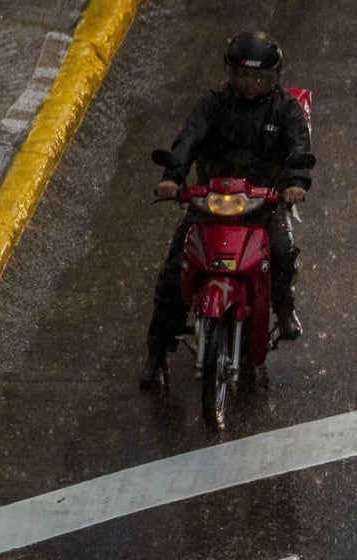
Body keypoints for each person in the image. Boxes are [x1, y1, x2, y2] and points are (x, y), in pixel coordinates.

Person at [141, 30, 313, 389]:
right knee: (174, 272)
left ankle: (283, 306)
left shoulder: (286, 110)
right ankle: (156, 354)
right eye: (241, 74)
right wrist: (173, 177)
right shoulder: (213, 104)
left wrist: (296, 183)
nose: (248, 83)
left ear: (272, 77)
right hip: (210, 204)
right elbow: (188, 138)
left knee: (282, 253)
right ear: (230, 72)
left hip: (262, 207)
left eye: (256, 76)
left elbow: (299, 146)